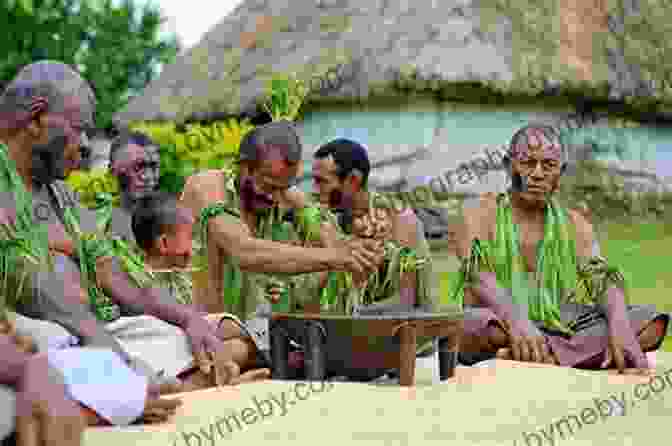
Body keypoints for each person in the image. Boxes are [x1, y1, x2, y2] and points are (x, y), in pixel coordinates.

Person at [0, 60, 266, 399]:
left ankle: (191, 378)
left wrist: (188, 319)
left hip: (97, 329)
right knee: (68, 351)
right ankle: (187, 383)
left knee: (228, 336)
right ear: (36, 119)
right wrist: (116, 357)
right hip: (43, 340)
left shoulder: (59, 193)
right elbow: (39, 292)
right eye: (78, 129)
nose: (84, 144)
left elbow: (113, 273)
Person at [451, 123, 668, 372]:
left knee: (651, 324)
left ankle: (535, 355)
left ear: (561, 171)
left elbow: (602, 280)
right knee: (467, 325)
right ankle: (570, 353)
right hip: (499, 322)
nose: (538, 173)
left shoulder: (575, 224)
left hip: (558, 322)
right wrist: (517, 321)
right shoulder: (476, 213)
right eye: (528, 163)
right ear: (508, 165)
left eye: (549, 165)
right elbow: (479, 278)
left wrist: (620, 325)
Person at [179, 121, 384, 354]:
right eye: (268, 186)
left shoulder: (285, 196)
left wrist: (361, 253)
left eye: (283, 188)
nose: (275, 197)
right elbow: (243, 252)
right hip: (191, 331)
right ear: (244, 167)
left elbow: (336, 246)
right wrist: (336, 255)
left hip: (242, 335)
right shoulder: (207, 186)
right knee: (249, 348)